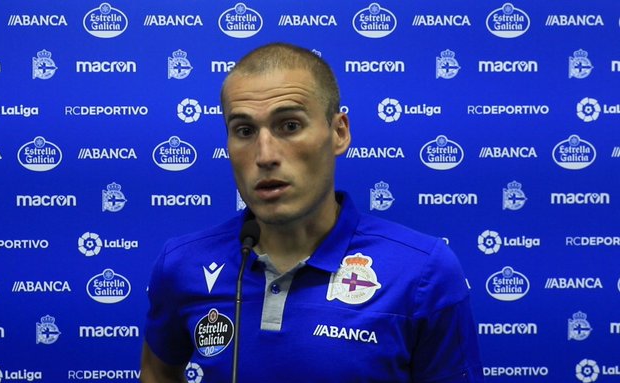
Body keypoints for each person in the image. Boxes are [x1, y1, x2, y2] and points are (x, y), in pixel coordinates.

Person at [140, 43, 484, 383]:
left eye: (289, 126)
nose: (265, 155)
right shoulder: (182, 264)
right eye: (244, 131)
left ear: (339, 133)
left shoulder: (423, 272)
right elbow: (157, 373)